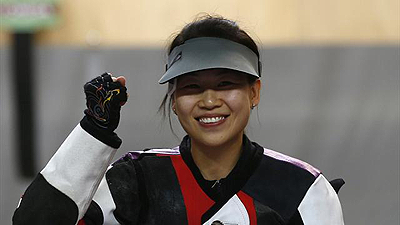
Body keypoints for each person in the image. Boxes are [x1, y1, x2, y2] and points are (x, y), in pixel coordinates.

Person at [13, 15, 345, 225]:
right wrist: (93, 131)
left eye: (225, 84)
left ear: (254, 92)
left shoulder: (301, 189)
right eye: (192, 87)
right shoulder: (136, 180)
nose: (210, 100)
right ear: (174, 101)